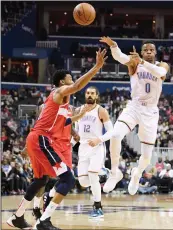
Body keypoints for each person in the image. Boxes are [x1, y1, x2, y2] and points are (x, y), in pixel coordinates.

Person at [7, 48, 107, 230]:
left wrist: (77, 119)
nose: (72, 80)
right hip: (42, 139)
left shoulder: (61, 103)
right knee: (68, 180)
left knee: (40, 180)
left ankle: (18, 217)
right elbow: (77, 86)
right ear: (62, 81)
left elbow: (65, 121)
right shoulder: (59, 91)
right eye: (70, 77)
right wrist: (97, 67)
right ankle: (43, 221)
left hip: (37, 139)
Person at [100, 36, 169, 195]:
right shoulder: (134, 63)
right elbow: (120, 57)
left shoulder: (161, 65)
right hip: (134, 107)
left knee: (146, 157)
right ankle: (115, 172)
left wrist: (143, 62)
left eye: (151, 50)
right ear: (142, 52)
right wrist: (114, 45)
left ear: (155, 52)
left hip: (150, 112)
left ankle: (136, 174)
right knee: (116, 135)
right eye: (146, 50)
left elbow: (161, 73)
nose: (149, 52)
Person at [76, 86, 113, 218]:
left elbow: (112, 132)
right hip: (83, 148)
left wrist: (99, 139)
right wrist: (68, 145)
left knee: (92, 175)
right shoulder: (79, 110)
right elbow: (76, 134)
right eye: (88, 93)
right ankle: (104, 171)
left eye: (92, 93)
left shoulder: (101, 111)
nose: (90, 95)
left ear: (96, 96)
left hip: (97, 148)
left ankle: (98, 206)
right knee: (83, 183)